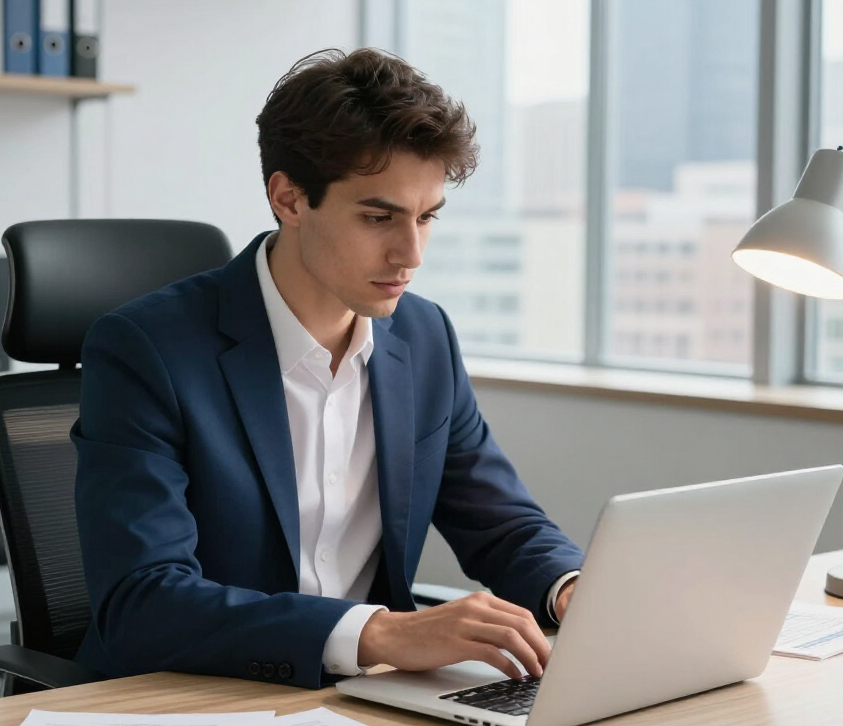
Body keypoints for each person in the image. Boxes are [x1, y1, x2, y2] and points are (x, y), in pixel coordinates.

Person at [72, 47, 584, 690]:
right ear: (288, 198)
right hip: (190, 699)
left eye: (427, 217)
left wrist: (573, 589)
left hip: (367, 701)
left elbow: (502, 524)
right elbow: (142, 602)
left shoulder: (424, 337)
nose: (411, 253)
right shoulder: (147, 350)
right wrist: (376, 633)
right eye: (379, 217)